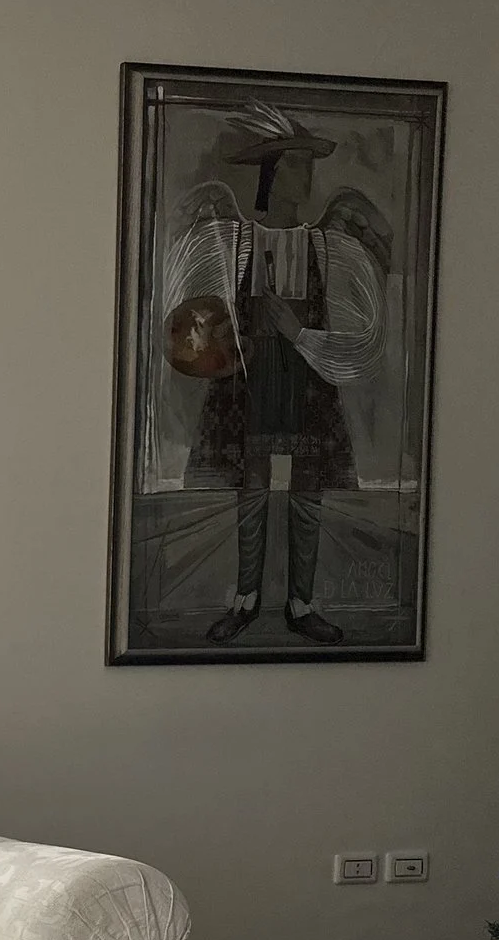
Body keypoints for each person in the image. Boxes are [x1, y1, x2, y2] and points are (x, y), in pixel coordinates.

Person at [158, 101, 387, 646]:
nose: (306, 178)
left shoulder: (326, 248)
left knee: (308, 491)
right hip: (248, 388)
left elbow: (359, 338)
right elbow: (193, 323)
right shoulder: (233, 245)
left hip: (306, 384)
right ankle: (244, 601)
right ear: (273, 175)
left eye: (308, 167)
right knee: (251, 490)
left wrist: (298, 334)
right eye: (297, 167)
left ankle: (301, 605)